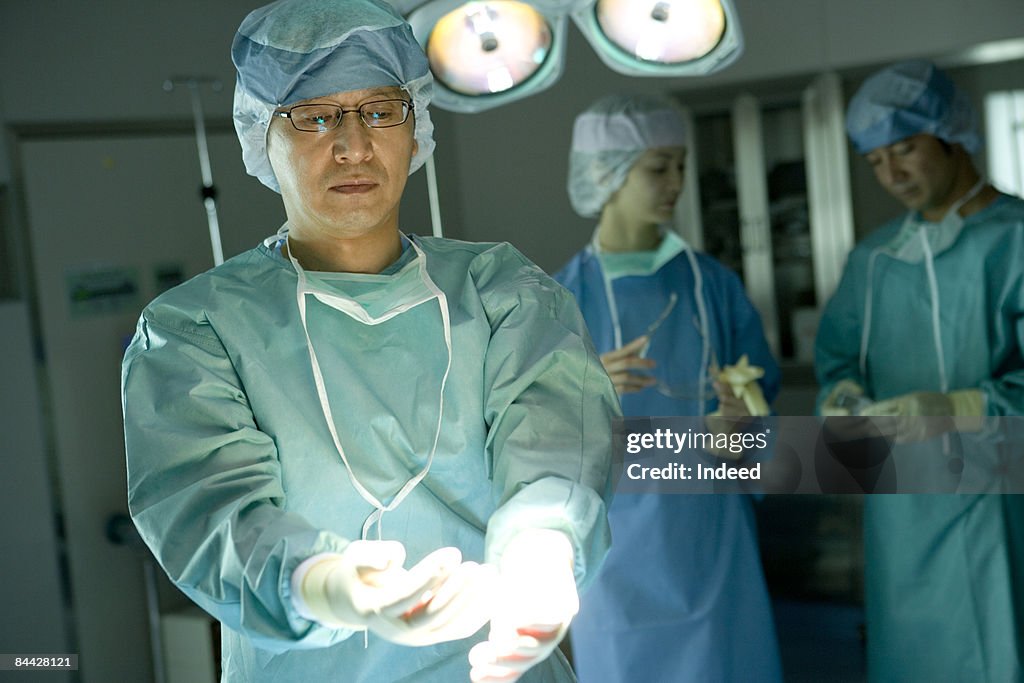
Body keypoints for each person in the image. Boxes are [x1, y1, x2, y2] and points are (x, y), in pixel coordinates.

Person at [120, 1, 618, 681]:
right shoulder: (195, 331)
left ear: (416, 129)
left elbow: (557, 446)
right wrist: (326, 583)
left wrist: (540, 560)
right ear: (260, 134)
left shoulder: (503, 292)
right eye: (315, 115)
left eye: (380, 110)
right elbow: (210, 510)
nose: (353, 144)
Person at [553, 94, 783, 682]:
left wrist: (743, 434)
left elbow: (762, 420)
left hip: (712, 543)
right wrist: (585, 391)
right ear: (607, 172)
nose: (678, 181)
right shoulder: (556, 303)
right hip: (614, 553)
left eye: (681, 164)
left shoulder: (715, 288)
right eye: (659, 167)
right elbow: (533, 440)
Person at [816, 59, 1024, 681]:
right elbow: (838, 356)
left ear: (951, 134)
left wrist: (962, 407)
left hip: (1001, 501)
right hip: (902, 509)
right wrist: (842, 393)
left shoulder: (1014, 240)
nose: (891, 174)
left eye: (903, 150)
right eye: (875, 161)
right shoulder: (875, 258)